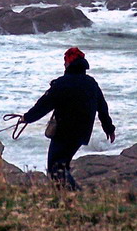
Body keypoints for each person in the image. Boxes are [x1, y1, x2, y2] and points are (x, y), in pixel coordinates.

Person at [20, 46, 115, 190]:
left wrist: (27, 118)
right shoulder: (91, 83)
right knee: (62, 165)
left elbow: (44, 105)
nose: (64, 64)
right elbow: (102, 107)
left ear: (69, 63)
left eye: (65, 62)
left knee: (55, 167)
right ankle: (69, 196)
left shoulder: (62, 83)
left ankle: (75, 195)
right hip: (82, 133)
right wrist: (109, 129)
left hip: (64, 131)